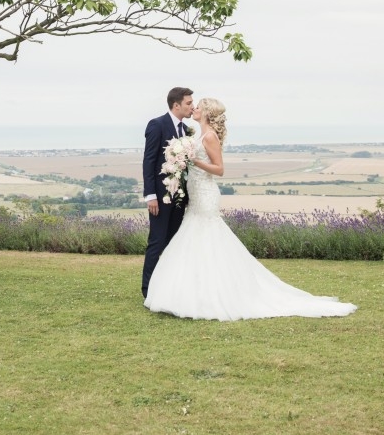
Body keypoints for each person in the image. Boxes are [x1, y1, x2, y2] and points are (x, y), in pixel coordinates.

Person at [144, 97, 357, 320]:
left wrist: (193, 160)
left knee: (206, 238)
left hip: (206, 196)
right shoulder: (198, 135)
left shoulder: (209, 137)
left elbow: (219, 169)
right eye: (192, 105)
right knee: (192, 239)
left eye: (198, 106)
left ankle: (215, 295)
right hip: (196, 195)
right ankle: (191, 293)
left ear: (206, 113)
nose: (194, 108)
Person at [141, 86, 195, 298]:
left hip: (180, 198)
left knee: (174, 242)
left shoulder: (186, 130)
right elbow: (149, 161)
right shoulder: (157, 125)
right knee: (157, 241)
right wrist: (151, 196)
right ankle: (148, 290)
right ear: (176, 105)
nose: (193, 106)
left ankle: (168, 286)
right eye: (189, 103)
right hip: (160, 198)